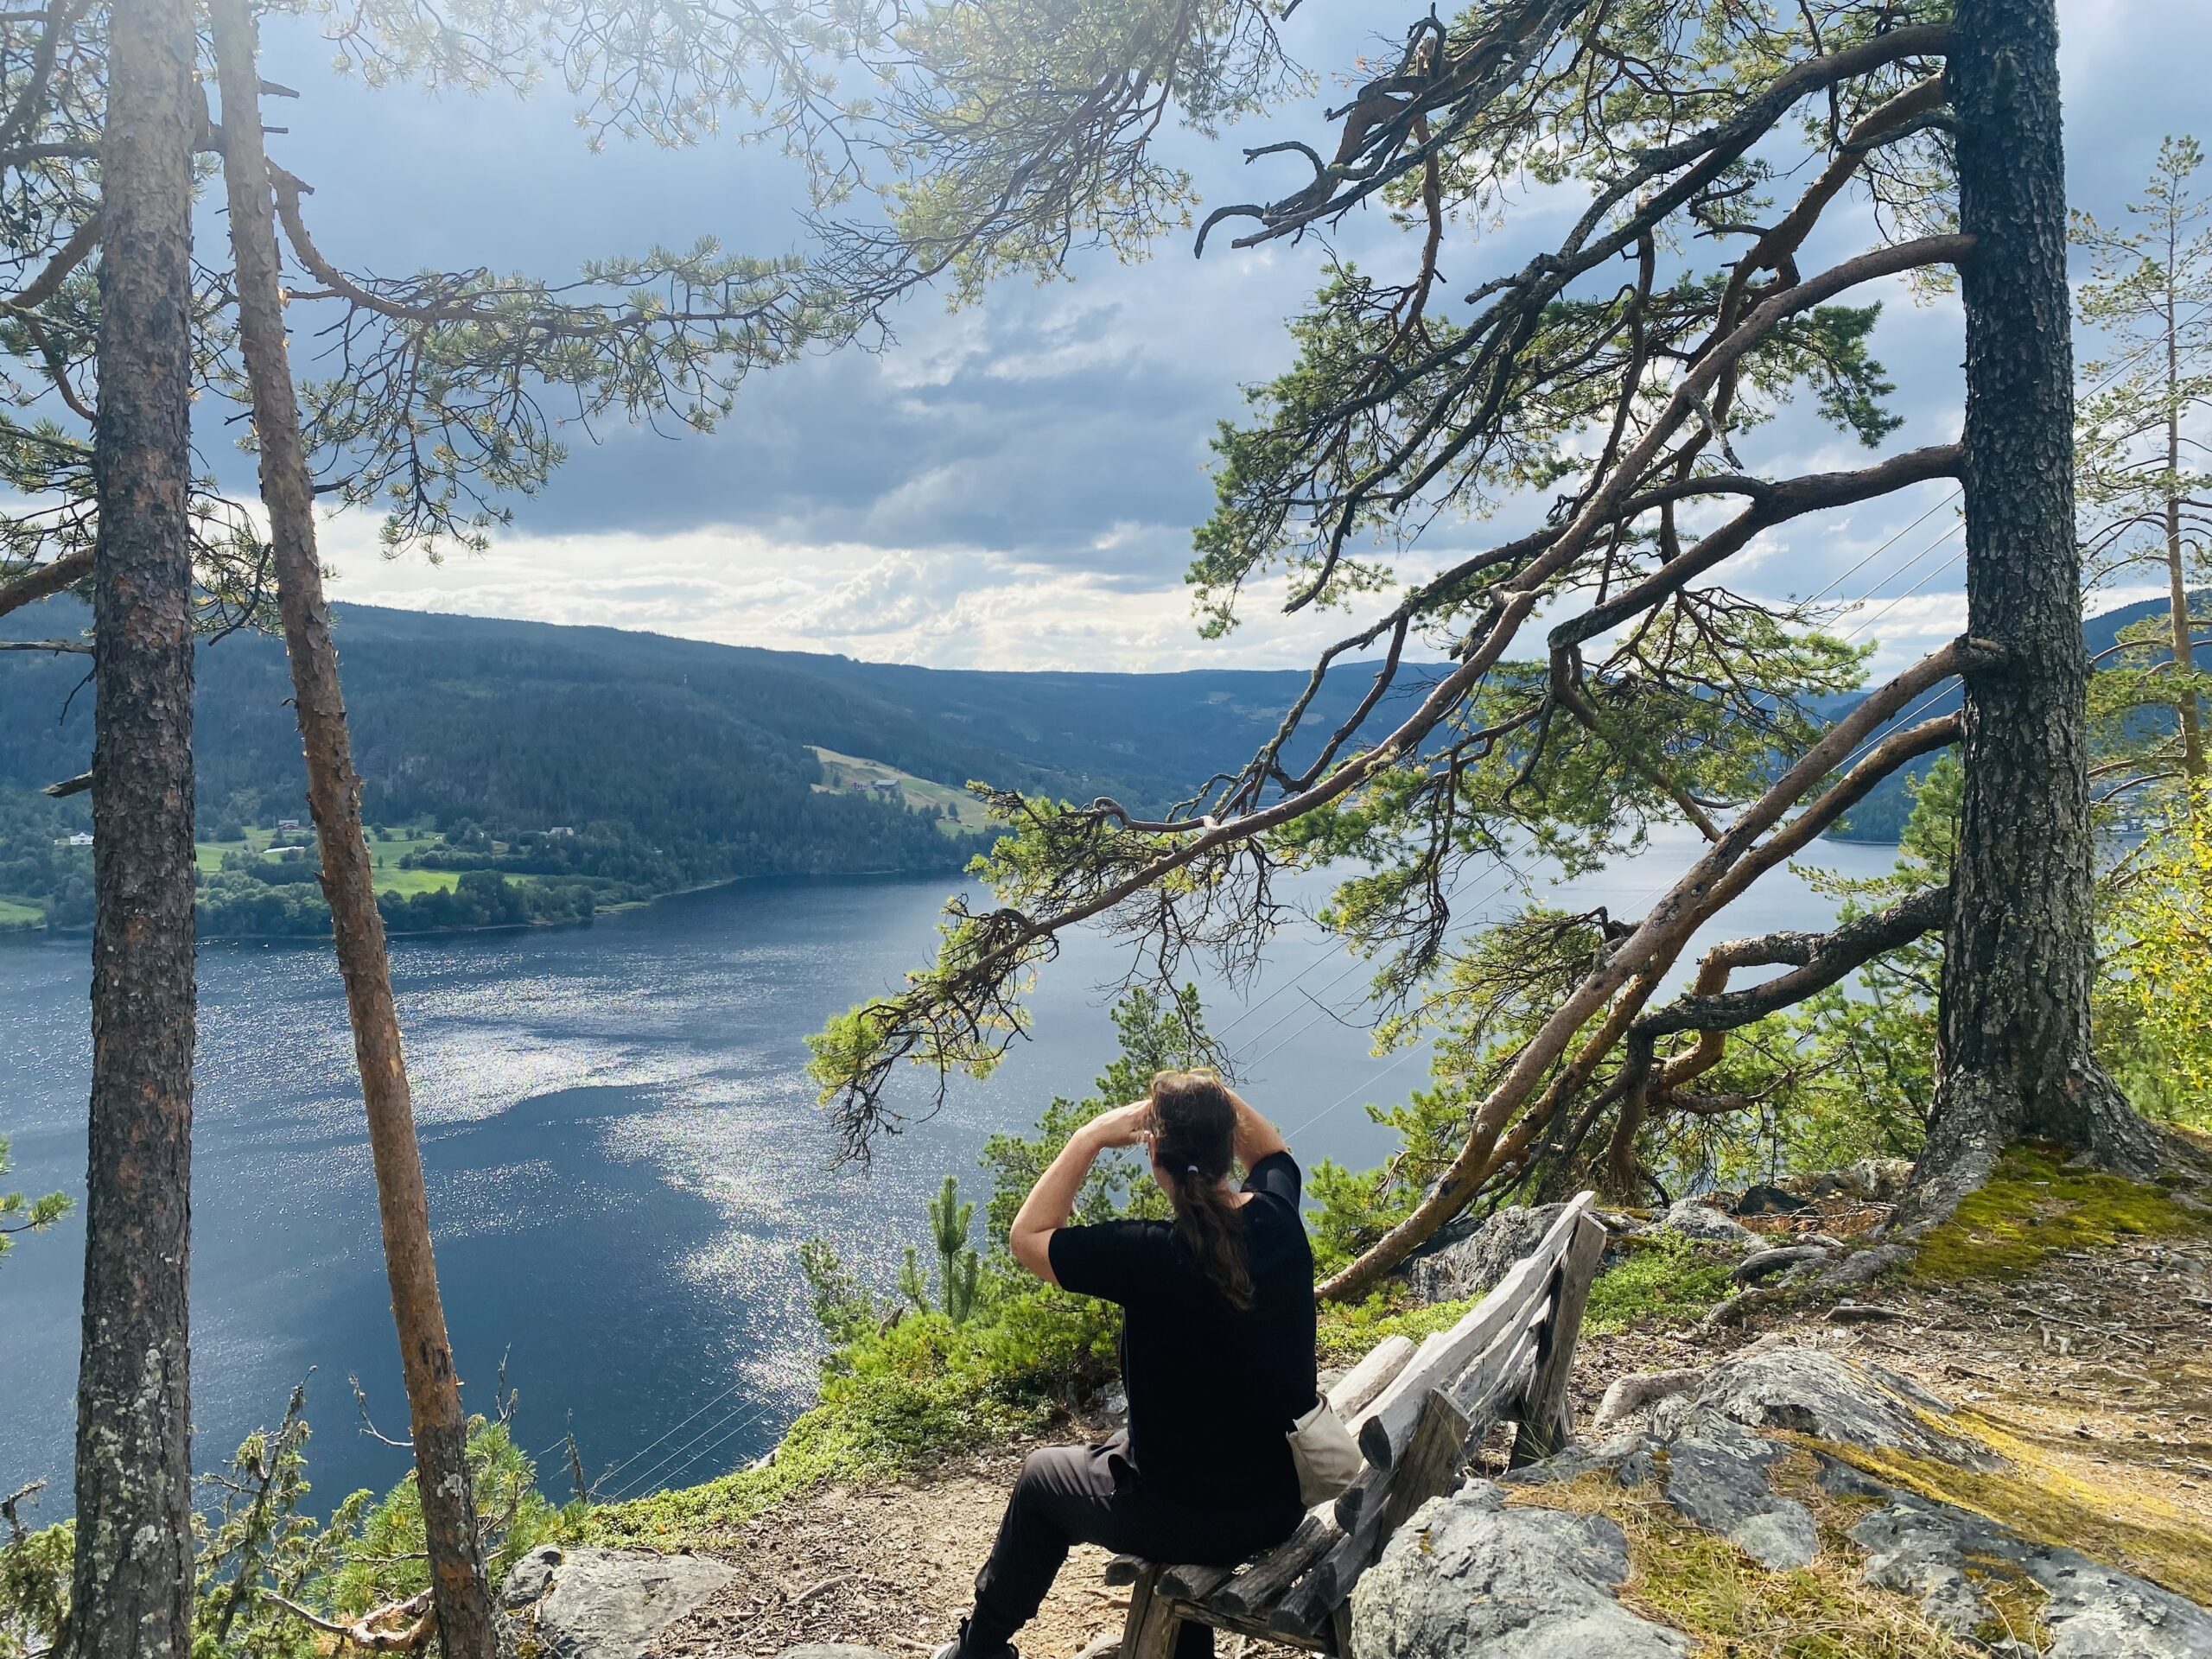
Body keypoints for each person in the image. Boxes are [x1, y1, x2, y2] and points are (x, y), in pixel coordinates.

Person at [934, 1071, 1317, 1659]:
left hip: (1183, 1516)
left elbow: (1028, 1237)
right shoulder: (1278, 1221)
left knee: (1039, 1478)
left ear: (1154, 1154)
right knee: (1131, 1448)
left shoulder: (1147, 1253)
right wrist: (1210, 1093)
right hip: (1276, 1504)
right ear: (1226, 1146)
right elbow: (1271, 1154)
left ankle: (978, 1650)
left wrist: (1088, 1137)